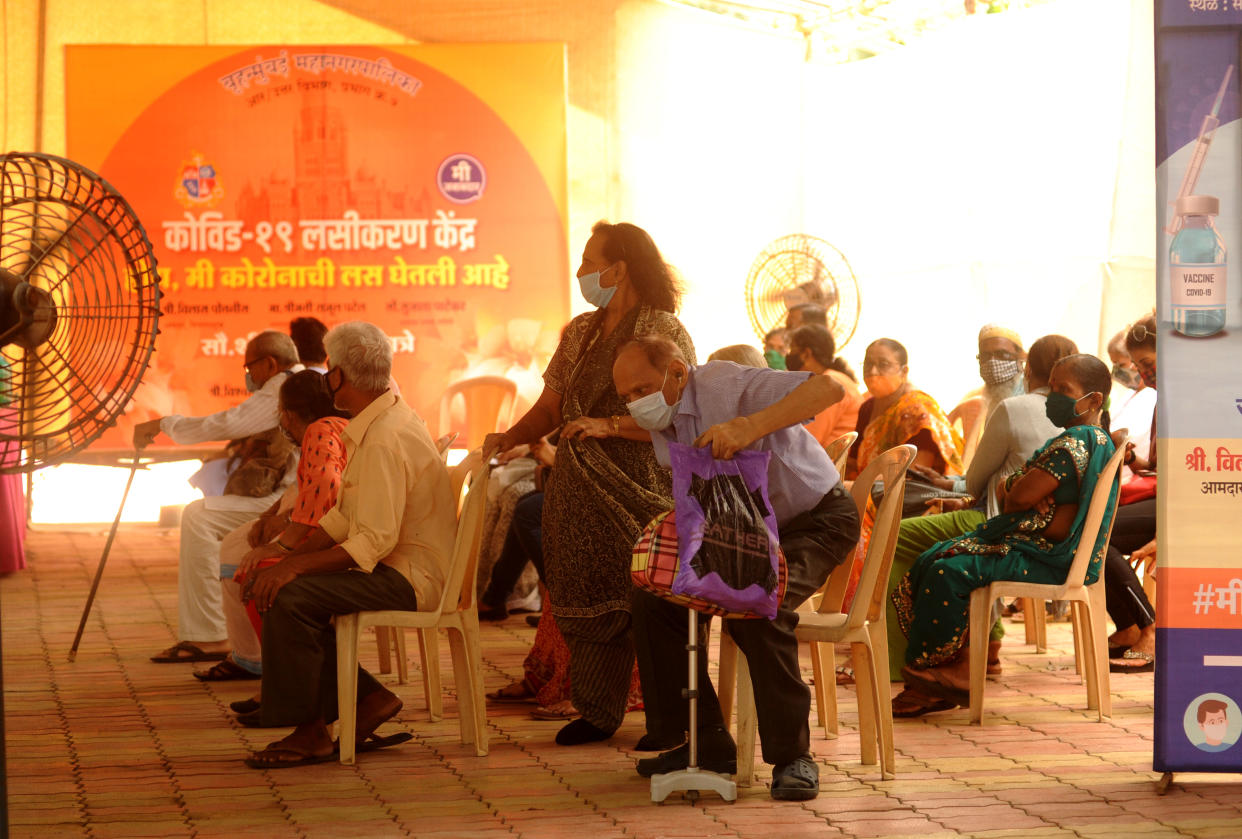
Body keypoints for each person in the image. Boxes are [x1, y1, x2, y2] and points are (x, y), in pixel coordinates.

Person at [615, 336, 860, 801]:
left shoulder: (722, 384)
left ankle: (793, 757)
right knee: (653, 597)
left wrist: (747, 427)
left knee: (757, 601)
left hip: (815, 519)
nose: (636, 402)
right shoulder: (665, 420)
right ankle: (705, 739)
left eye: (642, 388)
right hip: (743, 529)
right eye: (627, 396)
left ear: (677, 371)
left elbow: (827, 390)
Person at [483, 221, 695, 746]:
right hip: (576, 492)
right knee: (583, 597)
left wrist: (612, 426)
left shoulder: (665, 329)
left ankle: (669, 719)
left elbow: (681, 412)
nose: (582, 272)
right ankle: (598, 711)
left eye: (588, 261)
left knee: (647, 600)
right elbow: (552, 405)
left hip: (641, 483)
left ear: (618, 267)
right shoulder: (580, 331)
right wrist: (511, 435)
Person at [241, 321, 456, 768]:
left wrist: (293, 569)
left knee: (292, 597)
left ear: (337, 377)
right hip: (399, 564)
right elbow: (343, 517)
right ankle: (369, 699)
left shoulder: (382, 438)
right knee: (288, 583)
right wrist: (290, 557)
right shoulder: (383, 417)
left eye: (329, 371)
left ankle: (310, 732)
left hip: (410, 575)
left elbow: (373, 541)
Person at [893, 354, 1118, 711]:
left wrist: (1019, 490)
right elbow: (1017, 488)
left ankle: (947, 673)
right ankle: (943, 676)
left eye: (1065, 390)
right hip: (1045, 549)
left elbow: (1016, 496)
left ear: (1093, 400)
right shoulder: (1096, 439)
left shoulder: (1075, 442)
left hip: (1048, 557)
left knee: (947, 567)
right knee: (943, 554)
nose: (1054, 397)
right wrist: (1020, 489)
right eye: (1052, 388)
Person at [136, 331, 302, 663]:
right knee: (204, 514)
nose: (248, 377)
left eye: (249, 368)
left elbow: (229, 423)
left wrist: (164, 424)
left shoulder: (282, 387)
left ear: (269, 364)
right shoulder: (299, 380)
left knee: (199, 516)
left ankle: (209, 636)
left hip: (290, 501)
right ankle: (223, 634)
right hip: (292, 495)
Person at [191, 371, 349, 686]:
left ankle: (268, 670)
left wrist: (283, 544)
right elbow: (308, 485)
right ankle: (267, 667)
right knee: (244, 554)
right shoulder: (336, 425)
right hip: (335, 534)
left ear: (288, 414)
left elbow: (329, 484)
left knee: (253, 574)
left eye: (280, 412)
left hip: (337, 543)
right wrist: (274, 514)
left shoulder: (319, 431)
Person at [841, 338, 962, 608]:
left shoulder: (917, 410)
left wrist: (859, 486)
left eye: (883, 365)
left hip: (915, 496)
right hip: (871, 490)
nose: (872, 372)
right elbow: (852, 461)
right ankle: (841, 606)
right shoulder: (867, 406)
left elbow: (918, 473)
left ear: (904, 371)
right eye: (868, 364)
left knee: (850, 506)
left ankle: (864, 608)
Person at [1106, 316, 1159, 671]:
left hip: (1189, 502)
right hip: (1165, 495)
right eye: (1139, 366)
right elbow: (1158, 465)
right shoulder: (1164, 398)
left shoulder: (1191, 398)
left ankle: (1150, 630)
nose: (1144, 374)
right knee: (1089, 533)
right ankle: (1128, 628)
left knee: (1093, 534)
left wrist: (1167, 532)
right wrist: (1131, 458)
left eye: (1150, 365)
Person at [950, 325, 1027, 462]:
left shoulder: (1029, 395)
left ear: (1020, 357)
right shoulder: (974, 397)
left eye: (1002, 354)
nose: (992, 362)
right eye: (985, 356)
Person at [784, 324, 862, 447]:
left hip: (828, 462)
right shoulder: (829, 378)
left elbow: (808, 440)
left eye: (792, 349)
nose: (788, 355)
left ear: (806, 354)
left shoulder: (831, 382)